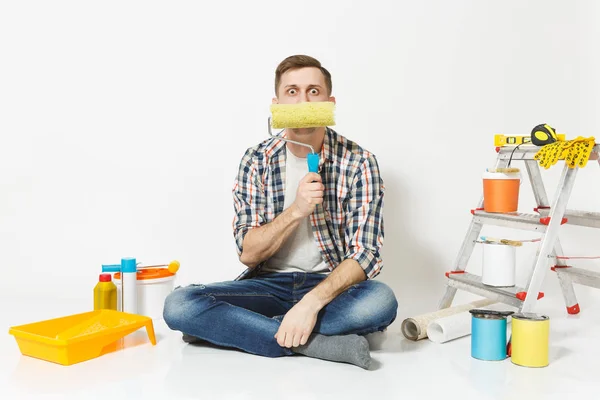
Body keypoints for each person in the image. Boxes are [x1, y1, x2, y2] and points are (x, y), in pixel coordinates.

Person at [163, 55, 398, 369]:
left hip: (331, 287)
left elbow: (366, 254)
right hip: (266, 285)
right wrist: (297, 210)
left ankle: (240, 329)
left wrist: (311, 303)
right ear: (276, 104)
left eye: (313, 92)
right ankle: (314, 345)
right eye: (292, 92)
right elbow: (248, 254)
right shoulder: (256, 159)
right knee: (180, 305)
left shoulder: (359, 161)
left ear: (330, 102)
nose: (302, 100)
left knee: (380, 302)